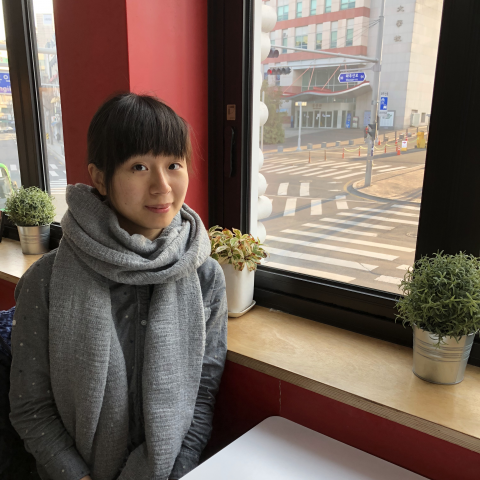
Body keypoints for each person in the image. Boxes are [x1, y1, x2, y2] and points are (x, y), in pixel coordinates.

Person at [9, 93, 229, 480]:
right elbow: (31, 408)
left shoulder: (204, 275)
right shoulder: (45, 280)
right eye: (139, 166)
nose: (162, 186)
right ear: (100, 178)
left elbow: (200, 398)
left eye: (174, 164)